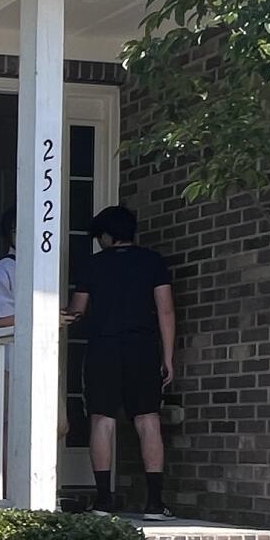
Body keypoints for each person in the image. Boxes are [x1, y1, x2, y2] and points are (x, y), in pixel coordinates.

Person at [65, 204, 176, 517]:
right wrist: (167, 355)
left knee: (102, 419)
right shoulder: (152, 262)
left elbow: (77, 310)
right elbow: (165, 310)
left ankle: (103, 500)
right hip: (142, 347)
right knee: (148, 419)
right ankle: (155, 502)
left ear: (107, 236)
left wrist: (62, 312)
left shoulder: (93, 265)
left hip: (103, 348)